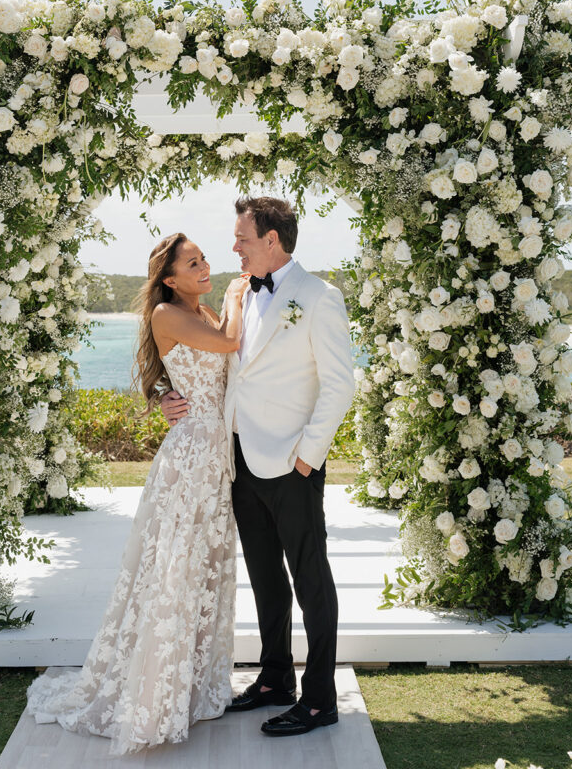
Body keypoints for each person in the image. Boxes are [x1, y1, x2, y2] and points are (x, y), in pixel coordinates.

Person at [26, 233, 249, 756]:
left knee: (203, 569)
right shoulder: (169, 313)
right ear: (169, 279)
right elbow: (228, 346)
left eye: (203, 258)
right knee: (173, 570)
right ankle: (154, 692)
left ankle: (190, 687)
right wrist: (239, 300)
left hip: (216, 456)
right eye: (192, 263)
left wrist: (162, 391)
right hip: (191, 458)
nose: (204, 266)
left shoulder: (203, 308)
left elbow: (199, 374)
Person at [162, 197, 355, 738]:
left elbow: (341, 385)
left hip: (292, 463)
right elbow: (210, 364)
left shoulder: (319, 297)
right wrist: (164, 396)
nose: (234, 247)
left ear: (272, 240)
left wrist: (306, 457)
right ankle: (275, 681)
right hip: (239, 459)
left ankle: (319, 699)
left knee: (310, 578)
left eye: (242, 237)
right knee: (267, 579)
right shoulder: (241, 291)